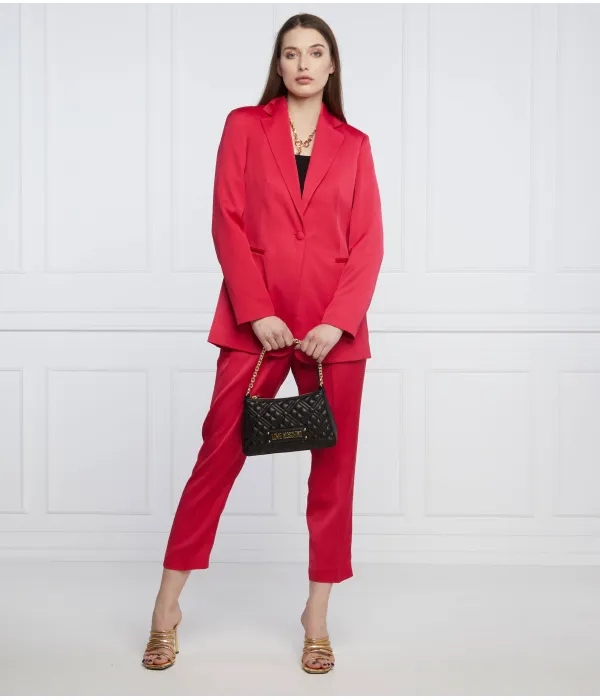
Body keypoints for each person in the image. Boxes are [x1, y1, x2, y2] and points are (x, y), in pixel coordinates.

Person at [141, 12, 384, 673]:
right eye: (291, 53)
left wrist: (338, 321)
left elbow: (367, 241)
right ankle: (166, 609)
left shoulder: (354, 144)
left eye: (315, 52)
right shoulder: (245, 126)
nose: (303, 63)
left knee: (333, 472)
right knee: (217, 457)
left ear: (331, 65)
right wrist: (256, 311)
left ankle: (317, 616)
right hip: (258, 324)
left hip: (333, 333)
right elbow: (227, 219)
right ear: (278, 65)